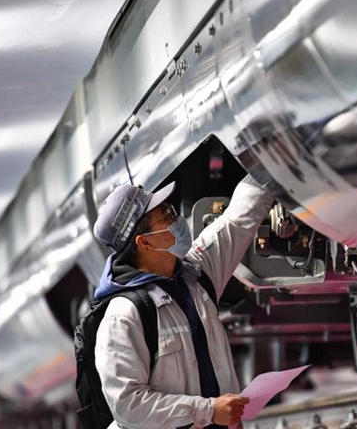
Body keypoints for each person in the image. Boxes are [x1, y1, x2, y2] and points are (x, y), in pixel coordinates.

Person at [92, 175, 274, 429]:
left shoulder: (196, 274)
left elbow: (237, 220)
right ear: (144, 242)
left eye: (171, 210)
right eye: (166, 217)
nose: (176, 219)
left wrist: (270, 162)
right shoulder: (124, 315)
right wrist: (208, 411)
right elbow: (128, 406)